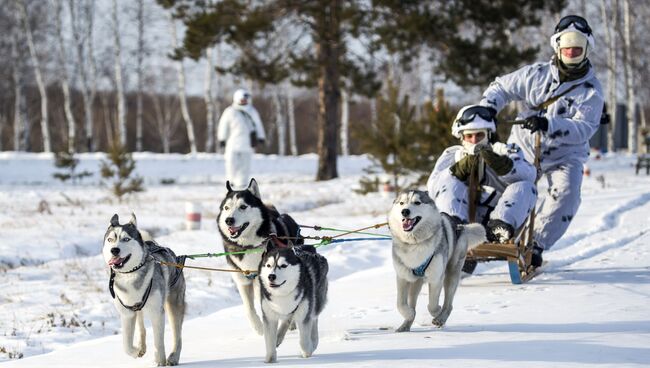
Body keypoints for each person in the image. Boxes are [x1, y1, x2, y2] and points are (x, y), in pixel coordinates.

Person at [479, 15, 604, 267]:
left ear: (587, 48)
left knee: (567, 195)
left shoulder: (591, 91)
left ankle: (535, 244)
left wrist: (549, 124)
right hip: (524, 147)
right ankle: (491, 230)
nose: (571, 51)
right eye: (567, 47)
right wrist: (488, 111)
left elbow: (584, 128)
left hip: (565, 156)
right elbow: (500, 88)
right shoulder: (535, 75)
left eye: (577, 48)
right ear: (557, 46)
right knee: (508, 184)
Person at [427, 105, 538, 274]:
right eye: (469, 136)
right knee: (448, 180)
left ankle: (498, 228)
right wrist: (456, 170)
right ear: (462, 137)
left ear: (488, 135)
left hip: (500, 217)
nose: (474, 140)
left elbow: (530, 175)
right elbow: (433, 186)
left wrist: (505, 167)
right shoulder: (451, 155)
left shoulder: (506, 151)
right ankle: (452, 226)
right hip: (464, 219)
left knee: (526, 186)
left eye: (479, 135)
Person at [217, 89, 266, 189]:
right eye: (242, 99)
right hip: (232, 143)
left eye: (245, 99)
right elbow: (223, 125)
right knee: (231, 163)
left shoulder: (252, 111)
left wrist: (261, 137)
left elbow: (258, 125)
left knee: (245, 165)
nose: (244, 101)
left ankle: (242, 183)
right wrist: (222, 138)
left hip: (247, 144)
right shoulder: (230, 111)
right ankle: (231, 181)